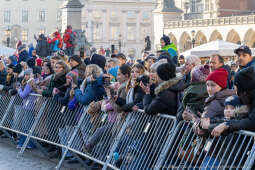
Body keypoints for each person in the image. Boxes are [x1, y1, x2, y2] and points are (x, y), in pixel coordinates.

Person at [211, 67, 255, 136]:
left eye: (237, 89)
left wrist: (227, 124)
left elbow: (252, 122)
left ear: (244, 89)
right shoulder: (249, 98)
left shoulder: (250, 98)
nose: (236, 93)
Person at [193, 68, 235, 137]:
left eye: (213, 85)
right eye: (207, 85)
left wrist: (195, 120)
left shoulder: (214, 102)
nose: (209, 89)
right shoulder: (231, 96)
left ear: (221, 86)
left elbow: (201, 131)